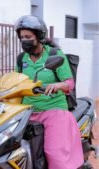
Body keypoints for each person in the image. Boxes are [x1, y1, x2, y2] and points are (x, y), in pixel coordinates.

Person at [14, 15, 83, 169]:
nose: (24, 40)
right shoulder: (21, 59)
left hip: (53, 109)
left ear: (39, 36)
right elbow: (15, 81)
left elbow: (69, 83)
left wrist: (58, 85)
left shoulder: (54, 55)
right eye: (22, 37)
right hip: (27, 111)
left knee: (54, 153)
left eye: (28, 37)